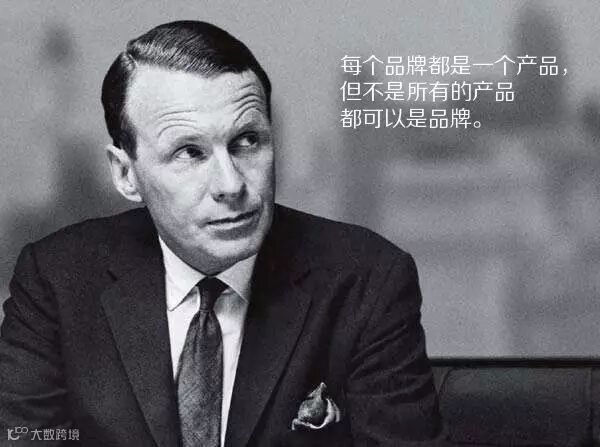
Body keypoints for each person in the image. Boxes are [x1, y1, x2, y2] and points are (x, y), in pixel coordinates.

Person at [0, 21, 444, 446]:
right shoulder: (56, 279)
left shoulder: (368, 281)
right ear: (125, 174)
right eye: (190, 152)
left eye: (248, 141)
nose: (232, 185)